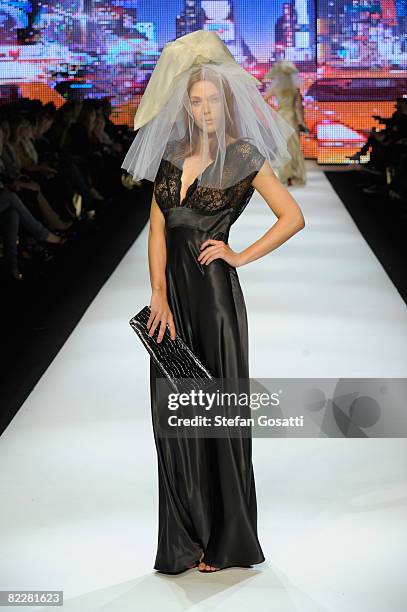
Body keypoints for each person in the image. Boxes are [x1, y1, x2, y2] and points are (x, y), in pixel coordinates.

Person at [122, 30, 305, 574]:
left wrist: (239, 255)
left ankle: (227, 540)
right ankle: (185, 538)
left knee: (216, 416)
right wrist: (157, 293)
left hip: (216, 300)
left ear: (227, 102)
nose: (203, 108)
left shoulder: (245, 155)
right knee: (173, 418)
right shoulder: (173, 156)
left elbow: (292, 217)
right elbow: (157, 229)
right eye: (195, 100)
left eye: (212, 100)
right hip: (170, 299)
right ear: (186, 104)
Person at [263, 60, 308, 186]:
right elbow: (299, 107)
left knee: (283, 146)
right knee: (293, 146)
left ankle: (285, 175)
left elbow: (264, 100)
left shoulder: (276, 87)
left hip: (281, 116)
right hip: (292, 117)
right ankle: (295, 174)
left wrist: (273, 112)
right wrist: (302, 122)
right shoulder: (294, 88)